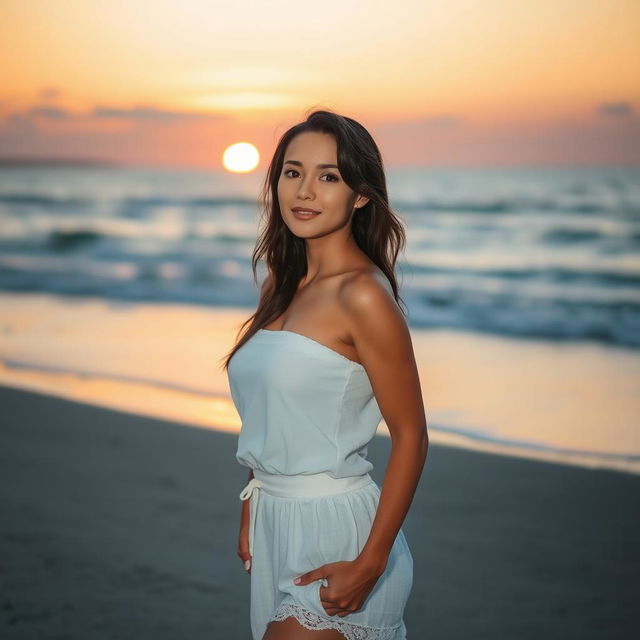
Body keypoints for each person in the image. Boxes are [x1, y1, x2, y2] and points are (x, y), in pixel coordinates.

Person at [222, 108, 429, 640]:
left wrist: (372, 560)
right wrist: (253, 503)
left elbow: (410, 435)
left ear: (360, 194)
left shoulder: (362, 295)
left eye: (328, 176)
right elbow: (275, 413)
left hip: (338, 530)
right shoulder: (281, 288)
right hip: (274, 520)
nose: (305, 191)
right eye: (293, 172)